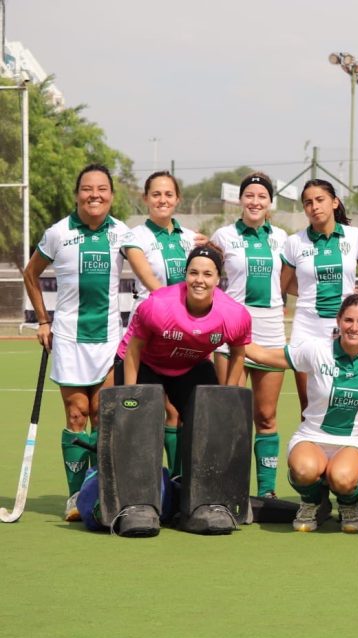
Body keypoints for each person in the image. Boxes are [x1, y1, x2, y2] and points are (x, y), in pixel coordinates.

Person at [22, 163, 132, 521]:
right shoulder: (58, 233)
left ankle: (97, 491)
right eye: (87, 189)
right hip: (69, 337)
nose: (94, 195)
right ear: (77, 195)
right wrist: (43, 320)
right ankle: (74, 497)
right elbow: (30, 274)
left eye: (102, 189)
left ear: (111, 195)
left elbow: (156, 257)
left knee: (102, 416)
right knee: (77, 414)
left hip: (109, 339)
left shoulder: (123, 233)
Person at [245, 293, 358, 533]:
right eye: (348, 320)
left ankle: (349, 502)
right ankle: (311, 501)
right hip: (311, 437)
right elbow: (265, 356)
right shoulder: (316, 350)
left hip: (352, 442)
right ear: (339, 320)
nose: (354, 327)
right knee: (303, 470)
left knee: (343, 478)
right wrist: (227, 333)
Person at [118, 246, 251, 465]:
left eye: (207, 274)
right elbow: (133, 350)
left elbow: (238, 354)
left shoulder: (235, 315)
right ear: (185, 275)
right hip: (145, 363)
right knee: (140, 424)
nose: (199, 280)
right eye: (193, 273)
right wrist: (130, 395)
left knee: (210, 421)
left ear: (218, 279)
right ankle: (139, 480)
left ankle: (186, 478)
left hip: (190, 366)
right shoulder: (158, 305)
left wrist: (228, 394)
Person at [211, 172, 289, 498]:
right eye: (250, 195)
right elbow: (205, 277)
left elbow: (293, 282)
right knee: (231, 415)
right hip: (232, 330)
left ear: (270, 202)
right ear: (240, 199)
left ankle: (266, 492)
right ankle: (229, 490)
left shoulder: (283, 238)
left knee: (266, 416)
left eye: (262, 196)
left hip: (271, 331)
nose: (255, 202)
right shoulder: (223, 236)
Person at [121, 170, 205, 468]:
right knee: (149, 409)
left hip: (185, 334)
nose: (162, 200)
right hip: (149, 334)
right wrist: (178, 314)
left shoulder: (191, 238)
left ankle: (177, 478)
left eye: (169, 194)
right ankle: (149, 478)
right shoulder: (134, 237)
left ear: (178, 199)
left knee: (178, 410)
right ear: (145, 198)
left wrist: (209, 248)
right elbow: (150, 282)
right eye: (156, 194)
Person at [280, 179, 358, 414]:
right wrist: (314, 288)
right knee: (308, 404)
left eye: (320, 200)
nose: (314, 206)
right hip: (306, 327)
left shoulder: (354, 236)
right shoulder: (294, 242)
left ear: (335, 202)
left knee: (344, 397)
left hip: (345, 327)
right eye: (308, 202)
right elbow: (282, 285)